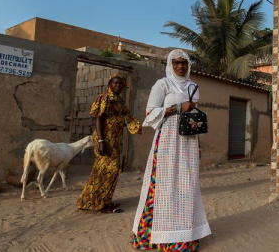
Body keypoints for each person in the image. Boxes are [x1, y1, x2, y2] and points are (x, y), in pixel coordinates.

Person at [131, 49, 211, 251]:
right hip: (167, 141)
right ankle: (153, 235)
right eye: (176, 63)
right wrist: (177, 107)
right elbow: (149, 115)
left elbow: (193, 118)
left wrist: (198, 144)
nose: (180, 66)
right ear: (170, 64)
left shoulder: (193, 87)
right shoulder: (162, 84)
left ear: (188, 65)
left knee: (186, 188)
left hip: (188, 142)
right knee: (162, 187)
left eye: (183, 63)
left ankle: (183, 238)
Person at [77, 73, 141, 213]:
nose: (117, 86)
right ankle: (97, 204)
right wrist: (101, 141)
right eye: (115, 83)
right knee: (106, 169)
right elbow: (98, 119)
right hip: (105, 139)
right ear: (110, 83)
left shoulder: (119, 100)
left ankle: (103, 201)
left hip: (114, 139)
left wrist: (135, 126)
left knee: (112, 170)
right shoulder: (105, 98)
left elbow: (126, 115)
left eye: (120, 84)